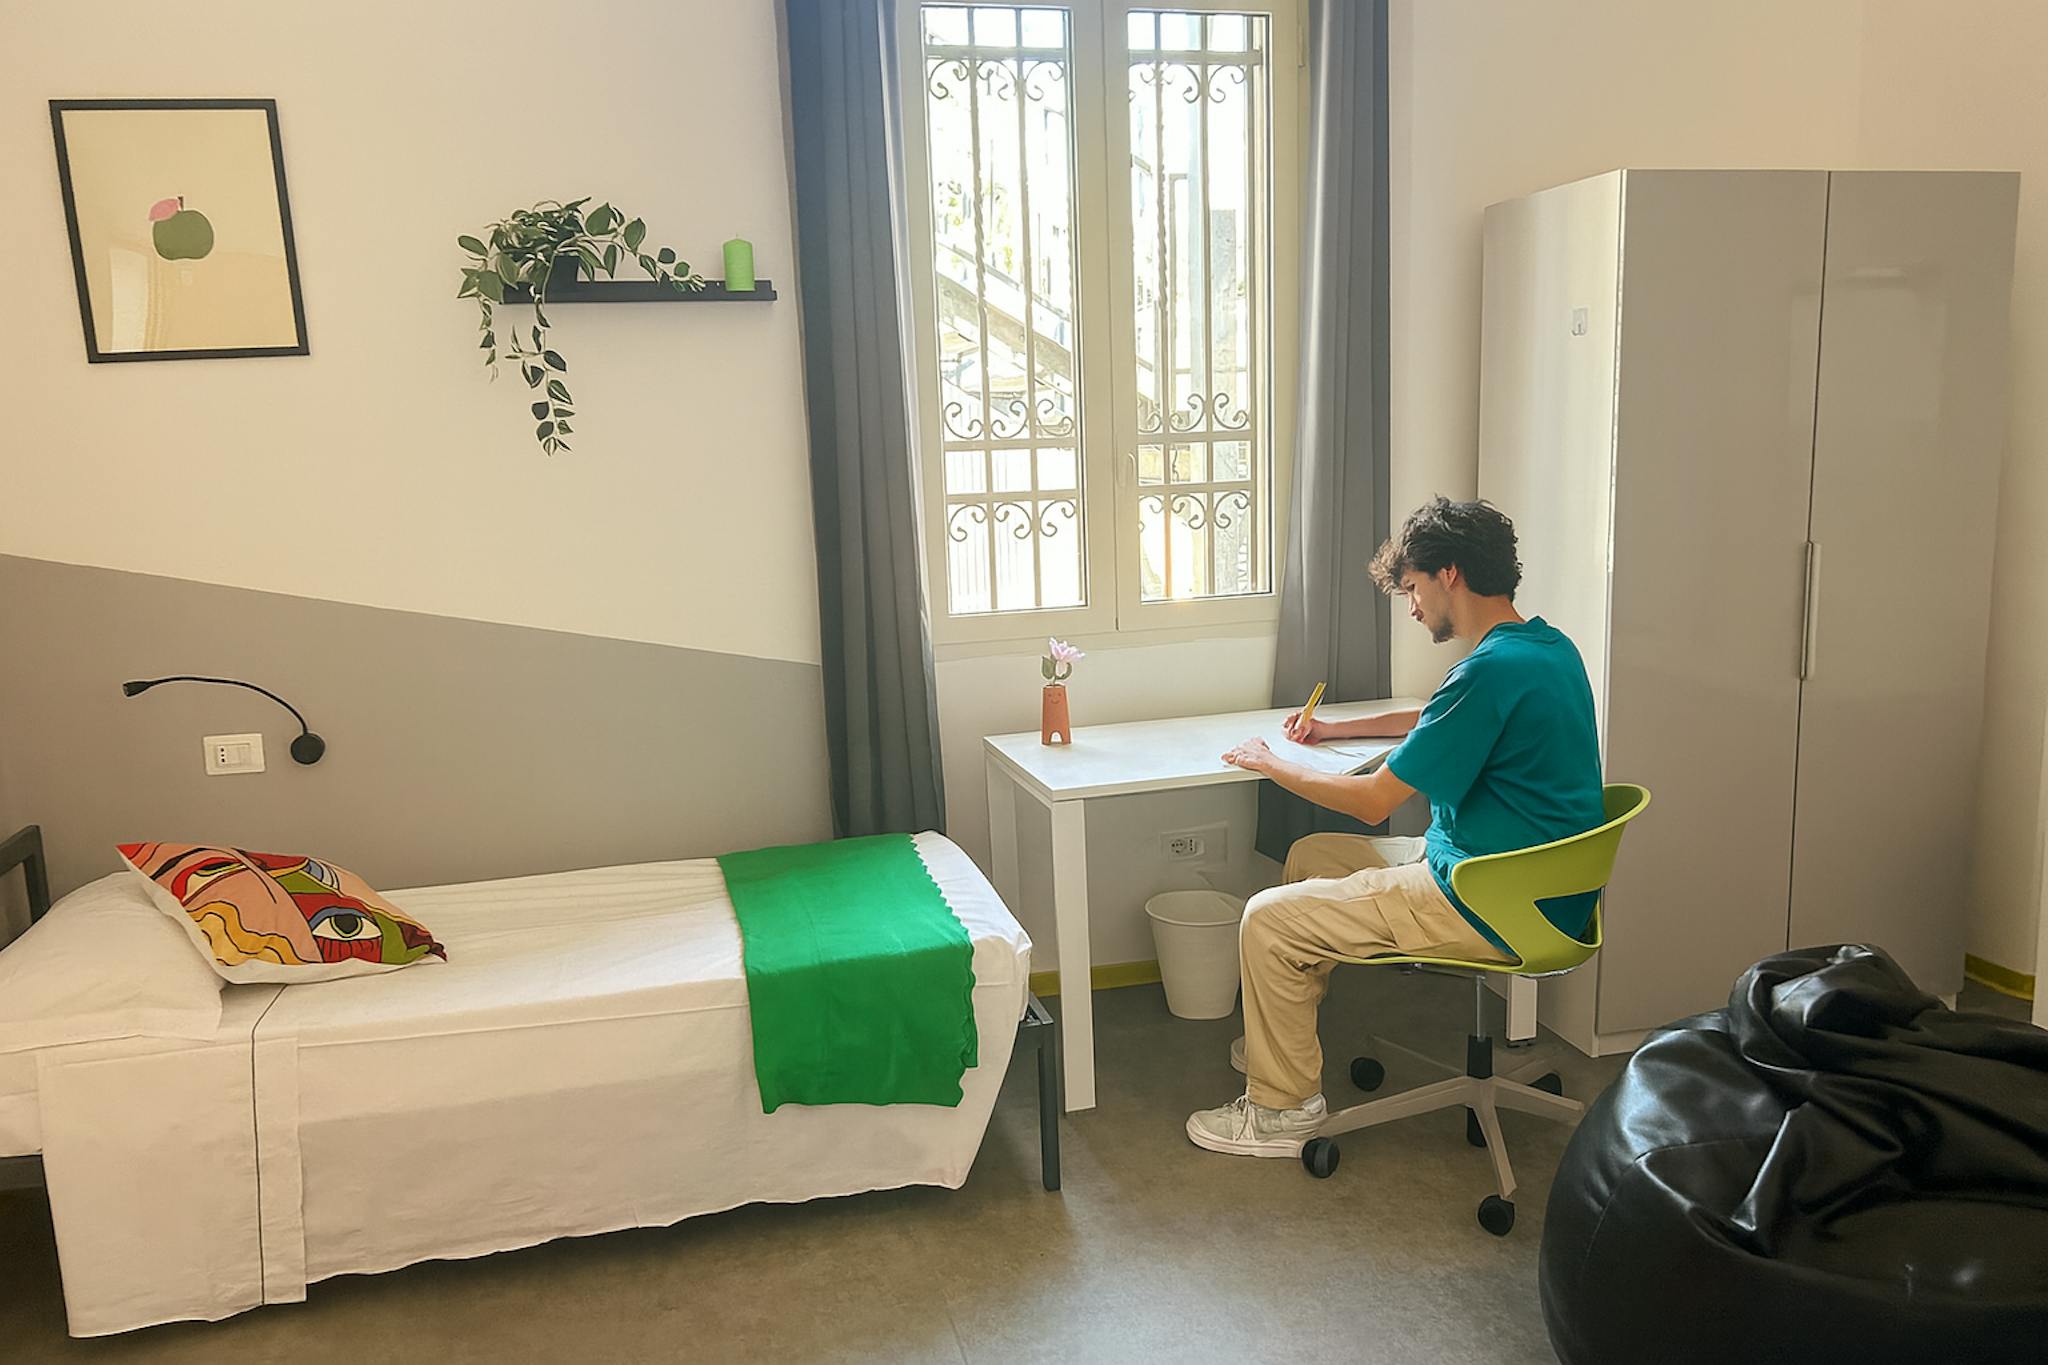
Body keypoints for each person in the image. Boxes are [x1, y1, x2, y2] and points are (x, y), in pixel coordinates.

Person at [1185, 497, 1604, 1157]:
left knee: (1266, 918)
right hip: (1535, 887)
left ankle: (1282, 1109)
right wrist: (1333, 730)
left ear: (1450, 574)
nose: (1411, 607)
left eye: (1412, 588)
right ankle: (1282, 1044)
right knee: (1312, 854)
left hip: (1487, 898)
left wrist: (1269, 762)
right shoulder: (1543, 648)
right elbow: (1438, 717)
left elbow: (1372, 800)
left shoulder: (1489, 670)